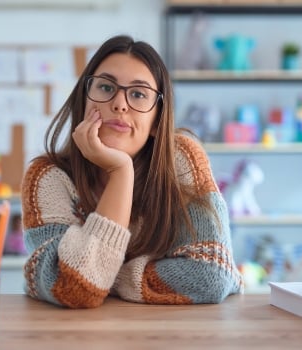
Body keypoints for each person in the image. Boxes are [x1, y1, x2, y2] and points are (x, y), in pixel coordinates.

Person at [21, 34, 243, 308]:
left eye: (138, 94)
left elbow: (210, 276)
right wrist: (121, 171)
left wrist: (106, 278)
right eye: (105, 87)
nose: (120, 104)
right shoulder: (47, 177)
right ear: (84, 100)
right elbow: (74, 289)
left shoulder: (180, 157)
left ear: (155, 121)